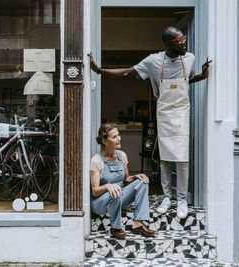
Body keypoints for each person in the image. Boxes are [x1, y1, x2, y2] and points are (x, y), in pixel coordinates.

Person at [88, 26, 212, 219]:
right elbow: (127, 72)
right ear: (169, 44)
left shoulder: (190, 58)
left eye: (184, 39)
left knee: (181, 159)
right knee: (164, 159)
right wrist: (100, 70)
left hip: (181, 114)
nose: (184, 43)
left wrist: (202, 76)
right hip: (163, 113)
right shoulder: (153, 61)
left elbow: (187, 81)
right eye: (180, 40)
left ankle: (181, 200)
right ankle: (166, 197)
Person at [90, 123, 155, 239]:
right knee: (115, 191)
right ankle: (115, 227)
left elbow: (126, 179)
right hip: (101, 202)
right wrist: (107, 186)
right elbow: (94, 191)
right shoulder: (96, 160)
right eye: (114, 137)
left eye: (118, 135)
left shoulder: (122, 156)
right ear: (104, 141)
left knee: (143, 181)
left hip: (119, 196)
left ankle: (138, 222)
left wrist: (136, 177)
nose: (119, 138)